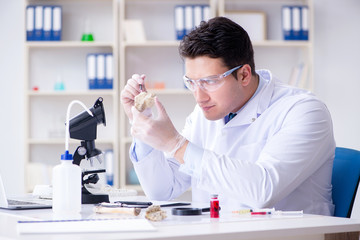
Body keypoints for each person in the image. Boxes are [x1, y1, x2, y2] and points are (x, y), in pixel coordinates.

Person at [120, 17, 335, 215]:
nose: (198, 95)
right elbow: (162, 190)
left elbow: (262, 191)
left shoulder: (304, 111)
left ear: (243, 75)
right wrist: (143, 126)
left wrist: (176, 144)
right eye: (191, 82)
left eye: (210, 81)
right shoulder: (207, 112)